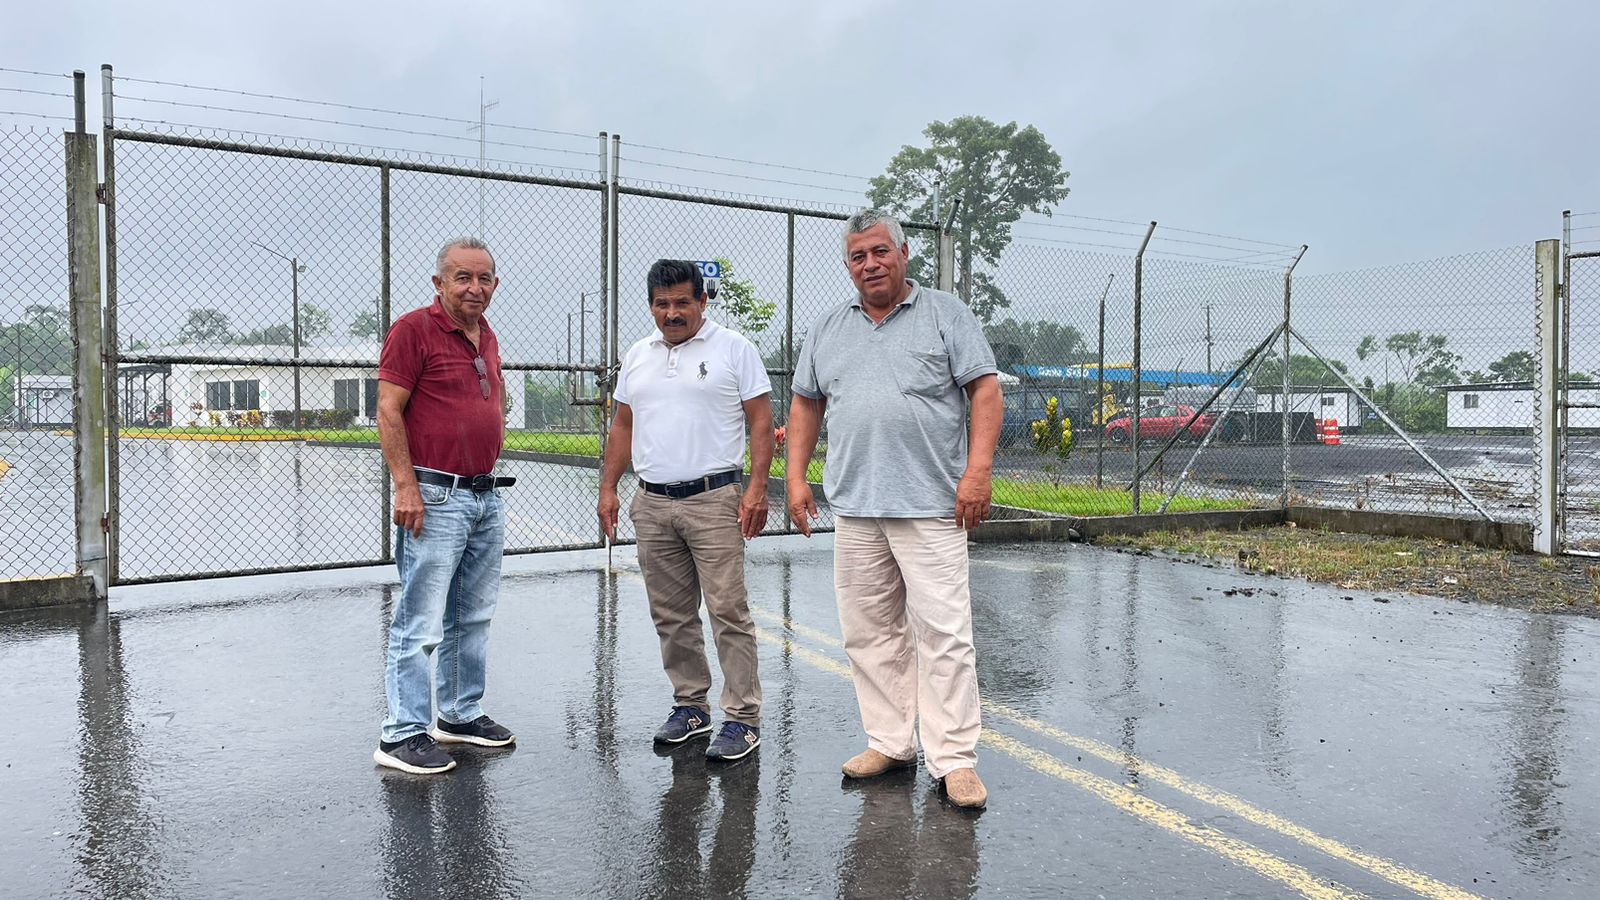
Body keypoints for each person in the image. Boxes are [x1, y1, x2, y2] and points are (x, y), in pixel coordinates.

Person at [785, 210, 1002, 809]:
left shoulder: (946, 315)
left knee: (944, 635)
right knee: (870, 633)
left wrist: (978, 472)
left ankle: (954, 760)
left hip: (931, 505)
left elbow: (985, 389)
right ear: (847, 266)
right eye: (858, 256)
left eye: (881, 251)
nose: (871, 264)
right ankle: (889, 742)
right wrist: (796, 479)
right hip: (855, 506)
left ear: (904, 254)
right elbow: (805, 404)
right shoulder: (829, 327)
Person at [599, 259, 774, 762]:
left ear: (702, 301)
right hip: (652, 502)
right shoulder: (638, 355)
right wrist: (608, 488)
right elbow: (623, 426)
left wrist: (757, 488)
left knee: (727, 611)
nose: (672, 313)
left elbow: (761, 422)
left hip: (714, 499)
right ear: (651, 305)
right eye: (662, 304)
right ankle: (691, 707)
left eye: (682, 302)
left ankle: (742, 718)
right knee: (671, 615)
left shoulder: (734, 349)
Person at [373, 237, 517, 775]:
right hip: (435, 495)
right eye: (462, 277)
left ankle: (459, 714)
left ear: (495, 285)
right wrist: (405, 486)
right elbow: (389, 410)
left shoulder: (487, 335)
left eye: (484, 279)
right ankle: (401, 733)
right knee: (422, 620)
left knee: (472, 614)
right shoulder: (413, 330)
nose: (474, 288)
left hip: (484, 494)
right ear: (439, 283)